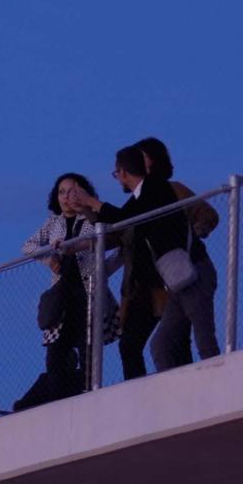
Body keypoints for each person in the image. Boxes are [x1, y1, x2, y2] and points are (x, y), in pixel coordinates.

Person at [16, 172, 119, 410]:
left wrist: (105, 269)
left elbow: (115, 240)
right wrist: (49, 259)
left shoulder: (92, 220)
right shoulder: (54, 222)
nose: (66, 197)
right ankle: (55, 403)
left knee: (88, 353)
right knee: (55, 355)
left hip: (89, 294)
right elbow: (28, 246)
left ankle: (88, 401)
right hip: (62, 296)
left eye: (72, 191)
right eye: (62, 192)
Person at [88, 144, 191, 379]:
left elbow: (127, 220)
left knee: (173, 343)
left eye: (116, 174)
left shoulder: (159, 189)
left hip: (166, 279)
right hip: (142, 285)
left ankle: (187, 385)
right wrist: (89, 207)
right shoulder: (140, 196)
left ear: (123, 172)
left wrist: (93, 203)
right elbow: (120, 225)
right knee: (130, 345)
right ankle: (137, 394)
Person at [135, 136, 222, 369]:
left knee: (204, 341)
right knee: (161, 345)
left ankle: (220, 388)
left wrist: (193, 232)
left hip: (194, 271)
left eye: (140, 158)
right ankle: (176, 398)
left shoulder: (174, 190)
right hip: (174, 282)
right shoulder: (140, 201)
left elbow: (208, 214)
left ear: (153, 161)